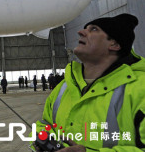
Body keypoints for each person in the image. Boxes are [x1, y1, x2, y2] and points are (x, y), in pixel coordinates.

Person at [29, 14, 145, 152]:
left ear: (114, 44)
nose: (81, 32)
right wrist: (41, 142)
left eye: (94, 29)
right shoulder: (64, 87)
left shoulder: (140, 88)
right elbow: (45, 124)